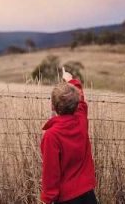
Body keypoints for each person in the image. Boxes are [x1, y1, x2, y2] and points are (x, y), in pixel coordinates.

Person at [40, 67, 97, 204]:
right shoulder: (81, 120)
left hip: (66, 199)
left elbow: (50, 173)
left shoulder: (52, 135)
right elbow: (81, 101)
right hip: (88, 194)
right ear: (77, 104)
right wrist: (71, 80)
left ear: (53, 106)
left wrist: (47, 199)